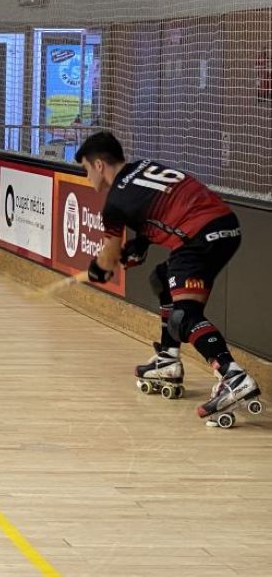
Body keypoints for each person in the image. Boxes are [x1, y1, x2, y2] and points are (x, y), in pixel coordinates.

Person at [76, 131, 262, 425]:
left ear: (100, 165)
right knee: (162, 279)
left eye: (86, 169)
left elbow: (108, 259)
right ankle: (168, 359)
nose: (87, 178)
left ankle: (233, 375)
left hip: (199, 238)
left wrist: (98, 269)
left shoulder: (114, 203)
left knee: (184, 317)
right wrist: (141, 243)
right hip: (227, 226)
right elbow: (165, 207)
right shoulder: (144, 167)